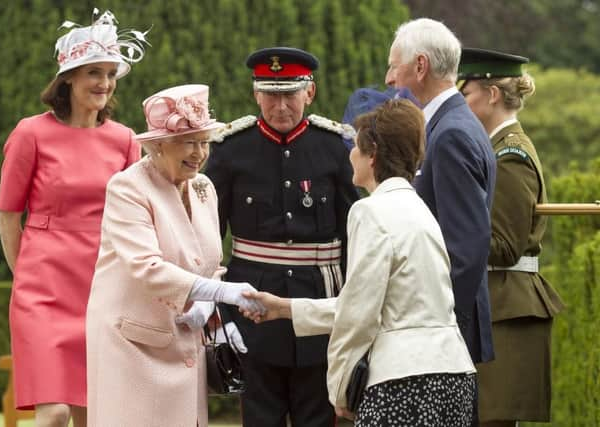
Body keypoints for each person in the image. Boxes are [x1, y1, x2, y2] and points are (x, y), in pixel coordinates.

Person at [242, 99, 477, 426]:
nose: (349, 153)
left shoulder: (369, 212)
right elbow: (380, 305)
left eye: (355, 146)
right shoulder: (421, 210)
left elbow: (359, 314)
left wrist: (340, 389)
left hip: (403, 383)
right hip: (454, 376)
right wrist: (284, 308)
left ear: (373, 154)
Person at [0, 10, 147, 427]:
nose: (104, 82)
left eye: (110, 73)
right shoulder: (30, 133)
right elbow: (8, 217)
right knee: (55, 413)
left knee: (93, 413)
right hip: (42, 292)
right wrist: (24, 275)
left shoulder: (126, 140)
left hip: (102, 287)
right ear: (68, 79)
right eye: (94, 72)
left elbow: (136, 217)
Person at [86, 84, 264, 427]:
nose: (199, 153)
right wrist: (221, 293)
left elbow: (209, 262)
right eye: (188, 142)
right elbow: (147, 267)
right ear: (157, 145)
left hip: (184, 345)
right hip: (132, 345)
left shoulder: (203, 187)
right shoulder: (127, 188)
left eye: (204, 142)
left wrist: (208, 305)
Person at [205, 47, 359, 427]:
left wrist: (354, 303)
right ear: (256, 94)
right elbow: (208, 235)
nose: (280, 105)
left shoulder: (337, 148)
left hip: (320, 302)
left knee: (318, 418)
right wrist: (211, 303)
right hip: (251, 309)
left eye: (289, 94)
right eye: (271, 94)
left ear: (310, 92)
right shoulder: (229, 150)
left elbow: (354, 233)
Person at [459, 48, 565, 427]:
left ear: (491, 95)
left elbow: (504, 246)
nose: (461, 103)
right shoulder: (496, 150)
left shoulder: (510, 156)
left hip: (507, 304)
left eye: (466, 93)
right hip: (497, 302)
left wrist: (444, 229)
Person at [384, 18, 496, 366]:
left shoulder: (450, 136)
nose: (388, 78)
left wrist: (435, 322)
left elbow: (466, 248)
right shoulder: (449, 125)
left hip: (443, 328)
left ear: (420, 66)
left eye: (393, 66)